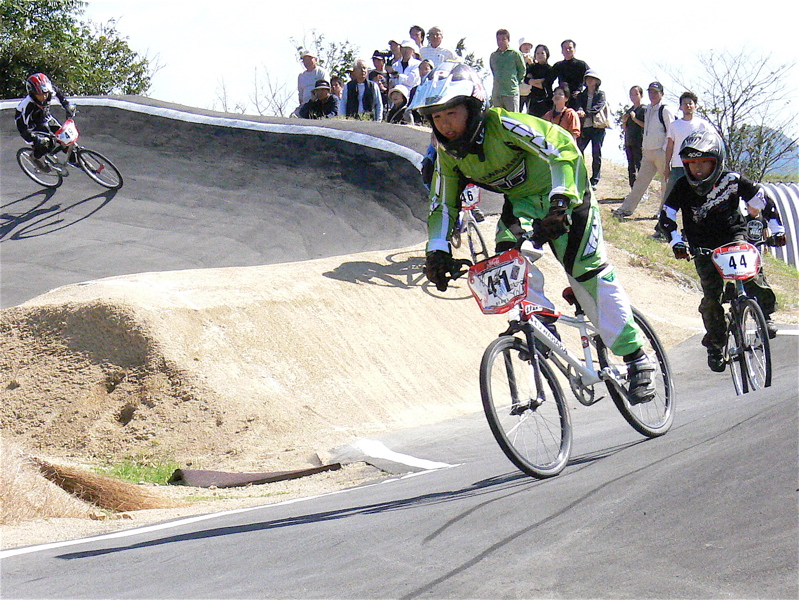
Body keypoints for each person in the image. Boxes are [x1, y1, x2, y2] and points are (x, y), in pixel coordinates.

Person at [409, 60, 657, 403]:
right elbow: (442, 204)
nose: (445, 124)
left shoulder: (505, 124)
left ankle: (636, 358)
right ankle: (542, 324)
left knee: (586, 273)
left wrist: (560, 203)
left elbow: (564, 149)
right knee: (506, 259)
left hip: (567, 195)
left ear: (472, 107)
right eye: (436, 117)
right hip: (524, 205)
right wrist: (436, 251)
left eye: (451, 113)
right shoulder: (449, 155)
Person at [657, 130, 781, 371]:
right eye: (692, 164)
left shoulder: (732, 180)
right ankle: (715, 342)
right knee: (712, 299)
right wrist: (676, 243)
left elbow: (761, 198)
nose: (698, 169)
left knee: (751, 273)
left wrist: (777, 229)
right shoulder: (682, 186)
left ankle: (764, 314)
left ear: (717, 161)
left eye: (704, 162)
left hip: (734, 237)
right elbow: (667, 216)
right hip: (702, 248)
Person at [613, 82, 675, 219]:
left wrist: (666, 152)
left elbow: (672, 132)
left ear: (662, 94)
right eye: (651, 92)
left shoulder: (665, 109)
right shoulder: (648, 110)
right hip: (648, 152)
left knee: (665, 185)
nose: (652, 95)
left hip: (661, 152)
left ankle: (663, 213)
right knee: (640, 182)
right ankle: (626, 209)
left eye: (655, 92)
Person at [15, 73, 76, 171]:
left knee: (65, 137)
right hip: (32, 127)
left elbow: (60, 95)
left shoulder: (50, 91)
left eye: (45, 93)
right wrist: (33, 138)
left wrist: (66, 105)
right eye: (39, 95)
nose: (44, 97)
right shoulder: (27, 105)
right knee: (46, 144)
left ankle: (76, 160)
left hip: (46, 118)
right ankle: (35, 157)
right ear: (32, 93)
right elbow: (22, 127)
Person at [663, 91, 712, 203]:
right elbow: (670, 146)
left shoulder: (702, 125)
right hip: (678, 166)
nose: (688, 106)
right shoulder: (674, 125)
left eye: (690, 103)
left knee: (697, 197)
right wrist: (667, 165)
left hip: (696, 166)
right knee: (670, 195)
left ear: (695, 106)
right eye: (684, 103)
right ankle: (664, 218)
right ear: (680, 107)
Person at [575, 69, 608, 189]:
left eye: (592, 78)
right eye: (587, 78)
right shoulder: (581, 95)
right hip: (585, 127)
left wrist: (585, 113)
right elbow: (578, 105)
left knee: (596, 152)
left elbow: (598, 107)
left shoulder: (601, 94)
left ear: (597, 81)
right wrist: (580, 111)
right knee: (579, 150)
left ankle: (595, 179)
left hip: (598, 127)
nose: (589, 80)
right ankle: (581, 176)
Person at [489, 29, 526, 112]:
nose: (500, 41)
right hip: (497, 93)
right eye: (498, 39)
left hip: (511, 92)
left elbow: (522, 70)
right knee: (498, 119)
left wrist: (515, 82)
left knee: (512, 119)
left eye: (503, 39)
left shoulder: (515, 54)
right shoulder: (493, 55)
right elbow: (493, 71)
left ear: (508, 40)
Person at [549, 40, 589, 110]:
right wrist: (553, 94)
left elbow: (592, 81)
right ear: (562, 51)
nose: (567, 50)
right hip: (562, 100)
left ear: (574, 50)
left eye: (570, 48)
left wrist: (582, 94)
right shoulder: (558, 65)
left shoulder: (581, 65)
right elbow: (548, 81)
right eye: (565, 48)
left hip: (576, 100)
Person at [622, 85, 646, 188]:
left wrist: (635, 119)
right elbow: (625, 128)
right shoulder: (629, 110)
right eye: (631, 94)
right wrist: (624, 121)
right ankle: (633, 190)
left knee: (640, 166)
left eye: (636, 94)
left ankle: (643, 190)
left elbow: (646, 125)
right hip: (629, 141)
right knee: (631, 167)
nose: (633, 96)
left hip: (639, 142)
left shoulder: (644, 109)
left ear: (641, 95)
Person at [526, 44, 553, 118]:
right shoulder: (532, 67)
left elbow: (546, 83)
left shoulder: (550, 69)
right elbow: (526, 80)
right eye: (537, 53)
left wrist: (533, 81)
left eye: (542, 53)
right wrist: (539, 81)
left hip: (547, 98)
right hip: (533, 98)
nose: (540, 55)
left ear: (547, 54)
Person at [518, 38, 534, 113]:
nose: (527, 47)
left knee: (530, 112)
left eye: (529, 45)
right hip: (519, 90)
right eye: (524, 45)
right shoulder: (517, 58)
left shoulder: (534, 59)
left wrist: (532, 64)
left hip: (530, 91)